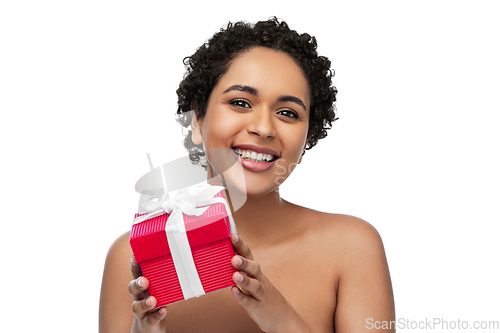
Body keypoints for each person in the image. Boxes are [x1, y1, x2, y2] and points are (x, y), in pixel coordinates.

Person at [99, 17, 395, 332]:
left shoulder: (351, 247)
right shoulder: (132, 257)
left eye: (288, 113)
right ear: (198, 121)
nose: (264, 128)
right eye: (241, 103)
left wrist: (281, 318)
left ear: (308, 137)